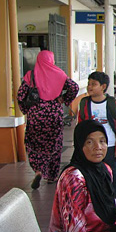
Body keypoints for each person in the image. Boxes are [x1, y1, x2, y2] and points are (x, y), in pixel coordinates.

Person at [17, 49, 79, 189]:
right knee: (54, 145)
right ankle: (52, 176)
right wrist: (63, 99)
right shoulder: (60, 74)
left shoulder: (31, 75)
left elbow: (21, 95)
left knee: (34, 145)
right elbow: (74, 87)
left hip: (36, 115)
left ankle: (38, 171)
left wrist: (26, 109)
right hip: (53, 115)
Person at [78, 71, 116, 205]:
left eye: (94, 84)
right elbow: (80, 127)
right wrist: (80, 147)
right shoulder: (84, 104)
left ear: (103, 87)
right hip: (91, 148)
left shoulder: (112, 104)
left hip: (110, 147)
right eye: (89, 84)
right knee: (92, 177)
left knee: (114, 178)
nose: (90, 87)